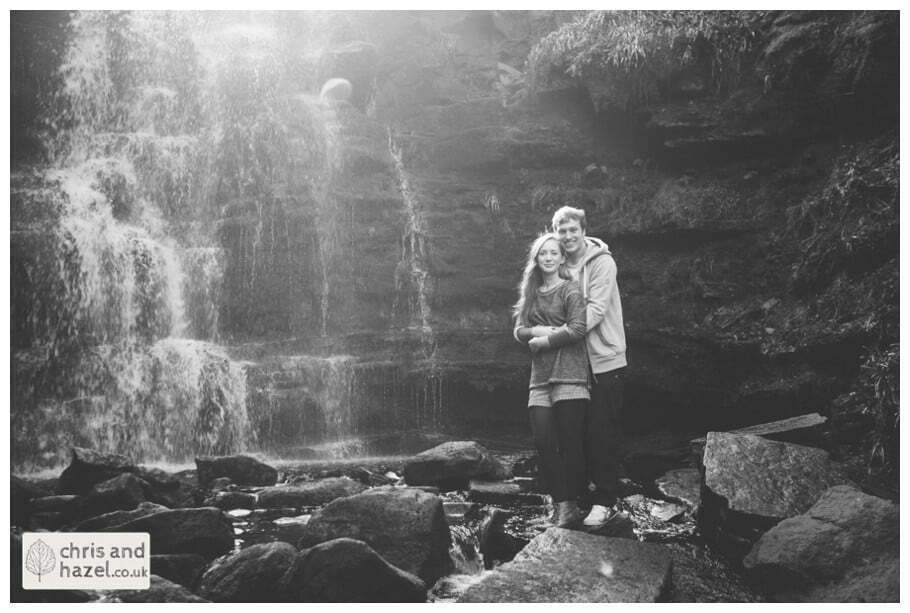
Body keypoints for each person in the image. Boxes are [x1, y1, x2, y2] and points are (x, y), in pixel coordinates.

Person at [551, 205, 627, 529]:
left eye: (573, 230)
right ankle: (578, 499)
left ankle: (605, 501)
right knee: (572, 432)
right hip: (572, 364)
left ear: (583, 231)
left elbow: (595, 310)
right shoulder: (556, 264)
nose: (568, 236)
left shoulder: (602, 263)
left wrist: (554, 336)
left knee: (601, 432)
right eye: (562, 231)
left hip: (604, 360)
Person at [512, 233, 589, 528]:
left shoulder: (570, 289)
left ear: (561, 258)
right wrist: (538, 331)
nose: (548, 257)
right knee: (543, 441)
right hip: (541, 379)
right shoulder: (531, 292)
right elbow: (519, 330)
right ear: (537, 258)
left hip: (570, 375)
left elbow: (579, 328)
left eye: (553, 253)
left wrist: (546, 342)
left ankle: (571, 507)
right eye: (543, 253)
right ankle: (562, 506)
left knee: (570, 444)